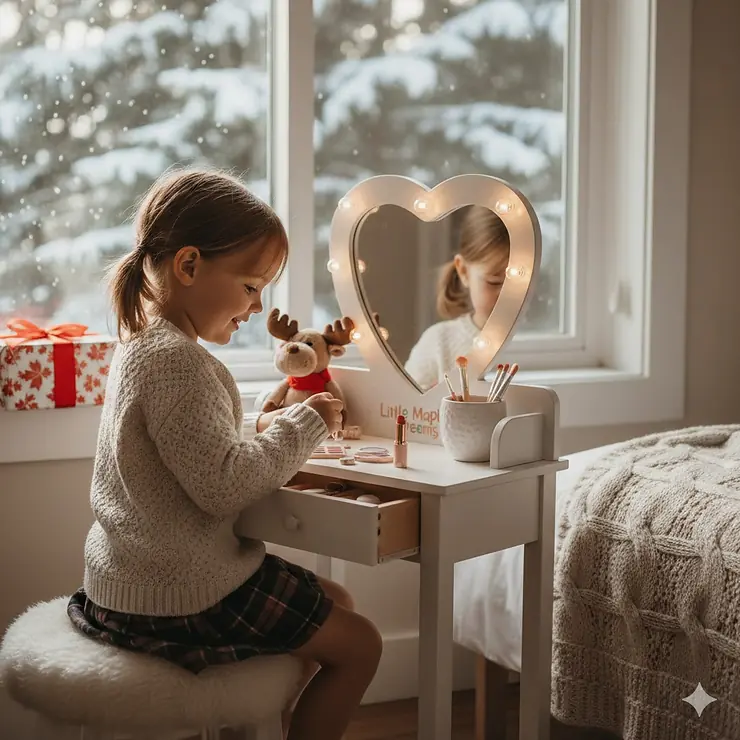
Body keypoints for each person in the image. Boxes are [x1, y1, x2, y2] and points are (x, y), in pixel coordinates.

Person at [66, 169, 382, 740]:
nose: (258, 307)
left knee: (335, 598)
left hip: (119, 583)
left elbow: (188, 442)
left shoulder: (145, 343)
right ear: (189, 266)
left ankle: (260, 724)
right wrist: (308, 421)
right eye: (250, 286)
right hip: (180, 593)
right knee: (361, 645)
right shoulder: (179, 362)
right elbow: (224, 486)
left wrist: (262, 424)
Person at [404, 205, 510, 390]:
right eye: (494, 281)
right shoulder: (438, 343)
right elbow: (407, 407)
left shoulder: (540, 344)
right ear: (463, 271)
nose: (507, 294)